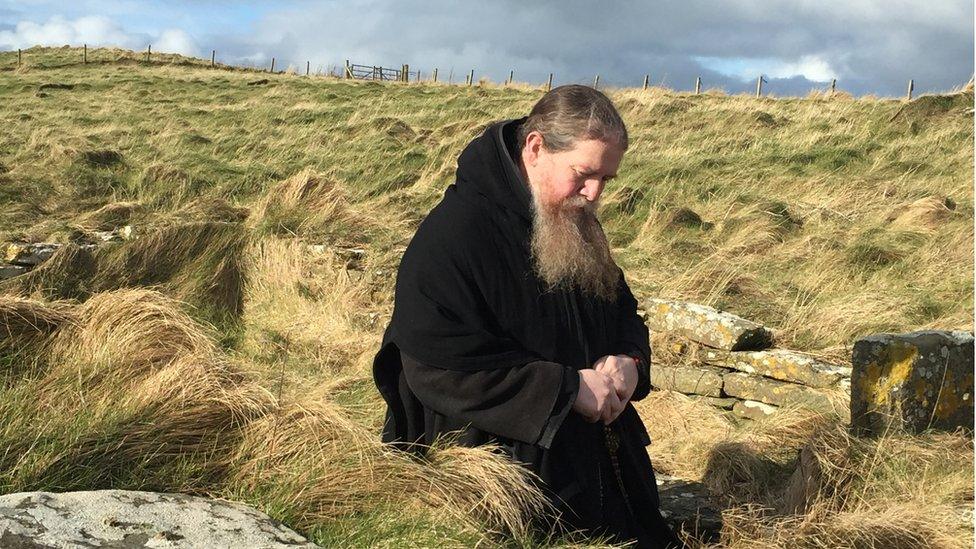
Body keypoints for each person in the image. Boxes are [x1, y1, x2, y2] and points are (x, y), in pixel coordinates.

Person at [372, 84, 682, 548]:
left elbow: (622, 311)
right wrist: (567, 389)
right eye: (583, 173)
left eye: (605, 180)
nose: (594, 193)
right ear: (535, 148)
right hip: (499, 473)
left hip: (597, 460)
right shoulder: (454, 234)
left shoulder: (575, 219)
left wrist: (629, 361)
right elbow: (433, 369)